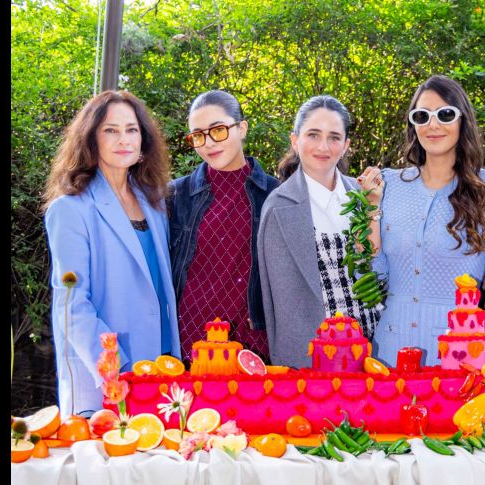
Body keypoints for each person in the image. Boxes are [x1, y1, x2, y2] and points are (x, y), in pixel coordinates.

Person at [364, 75, 485, 367]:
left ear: (463, 121)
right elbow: (373, 277)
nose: (433, 125)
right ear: (413, 125)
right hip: (388, 355)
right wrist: (371, 210)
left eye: (445, 114)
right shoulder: (389, 185)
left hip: (461, 359)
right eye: (422, 116)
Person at [43, 90, 180, 415]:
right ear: (91, 138)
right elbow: (72, 305)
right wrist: (116, 371)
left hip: (162, 373)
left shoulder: (155, 204)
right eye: (111, 130)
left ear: (144, 140)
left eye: (132, 129)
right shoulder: (71, 209)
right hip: (107, 383)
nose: (124, 139)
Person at [258, 95, 382, 368]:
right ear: (295, 140)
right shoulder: (279, 207)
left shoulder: (363, 194)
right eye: (313, 135)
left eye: (334, 137)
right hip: (317, 355)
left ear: (346, 145)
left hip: (374, 347)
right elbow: (282, 301)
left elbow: (379, 265)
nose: (323, 146)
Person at [169, 90, 279, 364]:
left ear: (242, 128)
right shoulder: (174, 196)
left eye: (218, 130)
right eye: (198, 135)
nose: (208, 143)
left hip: (252, 347)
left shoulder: (276, 196)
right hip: (187, 344)